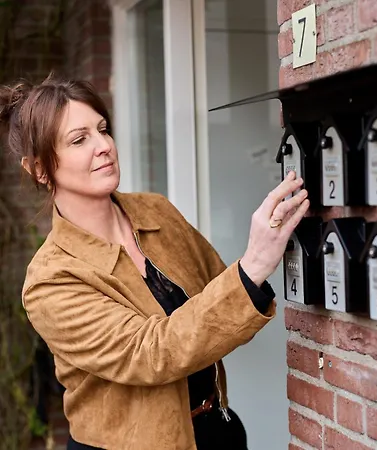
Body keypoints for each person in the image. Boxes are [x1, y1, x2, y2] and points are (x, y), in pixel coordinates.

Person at [0, 75, 310, 450]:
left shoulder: (155, 211)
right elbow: (150, 353)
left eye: (103, 130)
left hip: (215, 428)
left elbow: (224, 302)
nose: (104, 146)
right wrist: (254, 264)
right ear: (38, 169)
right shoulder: (50, 279)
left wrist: (268, 250)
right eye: (79, 140)